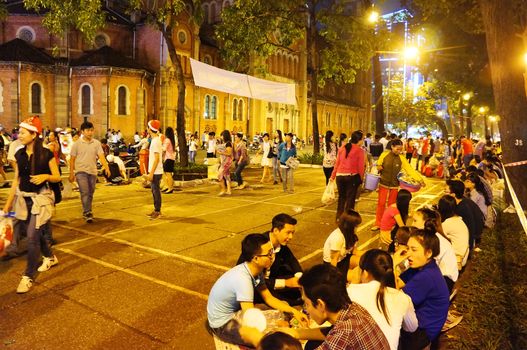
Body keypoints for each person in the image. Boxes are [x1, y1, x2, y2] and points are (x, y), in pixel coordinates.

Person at [207, 233, 308, 346]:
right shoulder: (243, 280)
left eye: (272, 251)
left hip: (235, 312)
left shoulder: (256, 271)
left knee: (284, 307)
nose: (272, 256)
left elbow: (268, 298)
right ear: (256, 258)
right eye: (269, 253)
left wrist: (294, 311)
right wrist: (277, 330)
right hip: (222, 324)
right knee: (265, 340)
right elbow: (250, 321)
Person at [2, 116, 61, 293]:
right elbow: (16, 180)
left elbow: (57, 176)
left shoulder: (46, 153)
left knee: (32, 236)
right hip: (23, 199)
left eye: (22, 132)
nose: (18, 135)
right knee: (35, 235)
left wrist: (45, 177)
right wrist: (8, 203)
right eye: (18, 132)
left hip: (41, 200)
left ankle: (28, 276)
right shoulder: (19, 154)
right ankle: (50, 257)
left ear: (34, 134)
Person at [285, 264, 390, 349]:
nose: (306, 310)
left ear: (320, 305)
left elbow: (338, 336)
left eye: (306, 304)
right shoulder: (352, 308)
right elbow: (330, 332)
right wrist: (296, 333)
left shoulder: (344, 334)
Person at [347, 249, 418, 350]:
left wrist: (354, 283)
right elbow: (412, 327)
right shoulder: (403, 298)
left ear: (365, 273)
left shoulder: (351, 292)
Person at [394, 228, 450, 350]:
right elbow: (397, 283)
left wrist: (393, 263)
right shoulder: (421, 267)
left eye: (414, 250)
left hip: (422, 333)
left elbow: (395, 300)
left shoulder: (427, 276)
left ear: (428, 253)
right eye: (408, 249)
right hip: (420, 325)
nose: (408, 254)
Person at [236, 214, 303, 305]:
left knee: (299, 285)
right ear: (275, 230)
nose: (291, 237)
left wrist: (299, 278)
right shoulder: (259, 246)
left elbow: (291, 259)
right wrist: (286, 283)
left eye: (292, 233)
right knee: (291, 302)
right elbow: (252, 280)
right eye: (288, 232)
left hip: (270, 279)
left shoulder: (280, 243)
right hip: (256, 286)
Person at [372, 139, 424, 231]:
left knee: (392, 205)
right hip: (383, 183)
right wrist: (379, 166)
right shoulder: (384, 155)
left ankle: (390, 223)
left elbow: (410, 170)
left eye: (400, 149)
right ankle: (378, 223)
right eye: (397, 149)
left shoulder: (402, 158)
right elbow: (379, 164)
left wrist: (420, 180)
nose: (399, 151)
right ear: (392, 146)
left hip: (395, 185)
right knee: (381, 204)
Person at [69, 121, 110, 223]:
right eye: (88, 130)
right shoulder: (76, 144)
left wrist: (107, 167)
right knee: (85, 192)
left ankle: (87, 209)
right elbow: (72, 159)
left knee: (90, 192)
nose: (90, 133)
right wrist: (71, 173)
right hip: (80, 171)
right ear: (82, 131)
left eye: (91, 130)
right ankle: (87, 212)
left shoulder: (96, 143)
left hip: (93, 171)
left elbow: (101, 156)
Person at [411, 208, 458, 293]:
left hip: (444, 281)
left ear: (426, 222)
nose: (412, 224)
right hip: (440, 278)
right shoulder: (431, 236)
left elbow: (424, 265)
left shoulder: (432, 240)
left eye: (415, 221)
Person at [330, 130, 365, 218]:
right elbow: (361, 167)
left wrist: (332, 176)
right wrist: (361, 179)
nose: (363, 141)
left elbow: (337, 163)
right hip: (351, 177)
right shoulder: (359, 150)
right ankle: (347, 219)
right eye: (362, 139)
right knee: (350, 199)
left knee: (341, 198)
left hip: (340, 177)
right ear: (359, 140)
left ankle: (339, 217)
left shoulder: (342, 148)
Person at [323, 209, 362, 281]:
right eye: (356, 225)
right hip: (333, 265)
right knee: (357, 277)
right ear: (349, 225)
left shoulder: (349, 234)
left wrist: (371, 255)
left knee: (364, 262)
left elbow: (355, 252)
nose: (357, 227)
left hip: (343, 259)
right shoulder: (337, 237)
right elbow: (333, 261)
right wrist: (333, 279)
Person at [446, 179, 485, 252]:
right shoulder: (462, 201)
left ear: (453, 194)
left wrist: (469, 248)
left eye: (446, 191)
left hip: (472, 239)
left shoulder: (462, 208)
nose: (444, 193)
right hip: (474, 236)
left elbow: (470, 229)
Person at [437, 195, 469, 270]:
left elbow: (436, 237)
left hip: (456, 260)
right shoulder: (458, 219)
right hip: (463, 257)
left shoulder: (447, 223)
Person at [146, 120, 163, 220]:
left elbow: (156, 159)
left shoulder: (156, 141)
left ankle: (158, 211)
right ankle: (156, 209)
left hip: (156, 172)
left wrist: (151, 173)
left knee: (156, 191)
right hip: (155, 171)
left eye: (147, 127)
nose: (146, 129)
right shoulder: (155, 140)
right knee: (154, 191)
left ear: (150, 129)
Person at [217, 130, 233, 196]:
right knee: (226, 176)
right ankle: (229, 190)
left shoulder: (228, 143)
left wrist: (221, 152)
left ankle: (223, 189)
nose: (221, 137)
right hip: (224, 161)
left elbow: (229, 153)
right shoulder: (224, 143)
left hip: (227, 161)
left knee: (219, 175)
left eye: (222, 135)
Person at [161, 127, 176, 194]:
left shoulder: (167, 140)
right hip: (171, 158)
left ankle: (170, 188)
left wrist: (160, 145)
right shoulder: (172, 140)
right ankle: (167, 186)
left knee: (168, 174)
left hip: (168, 158)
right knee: (165, 173)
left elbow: (164, 149)